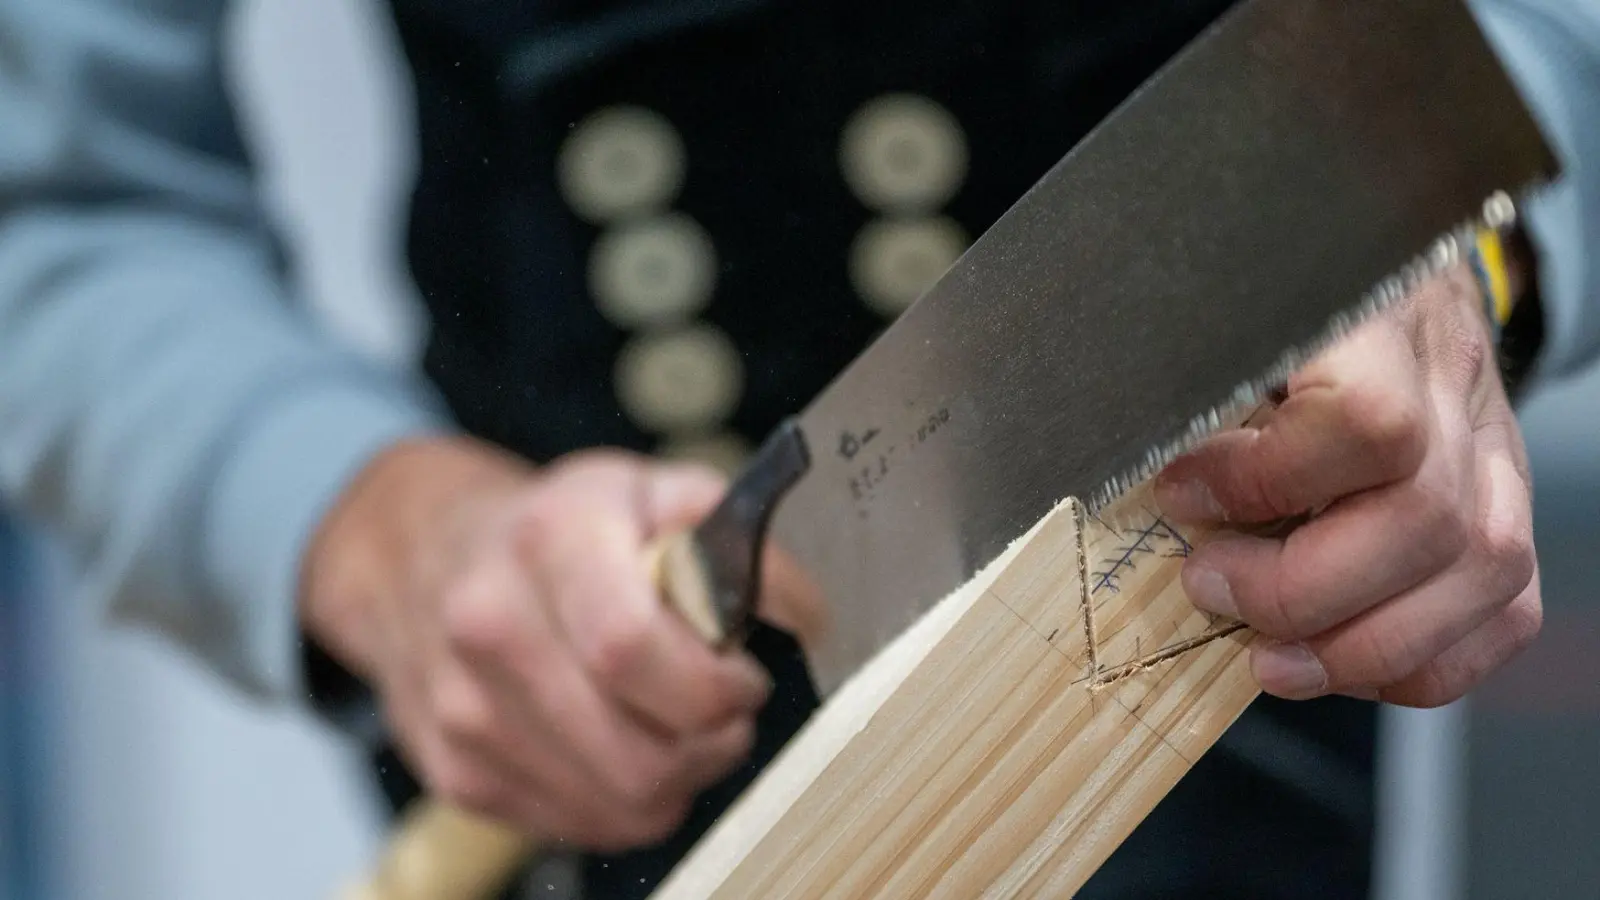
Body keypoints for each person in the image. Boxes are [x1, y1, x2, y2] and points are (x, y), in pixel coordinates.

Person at [1, 0, 1596, 897]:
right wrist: (390, 539)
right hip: (591, 726)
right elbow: (63, 215)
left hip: (1224, 689)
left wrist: (1461, 242)